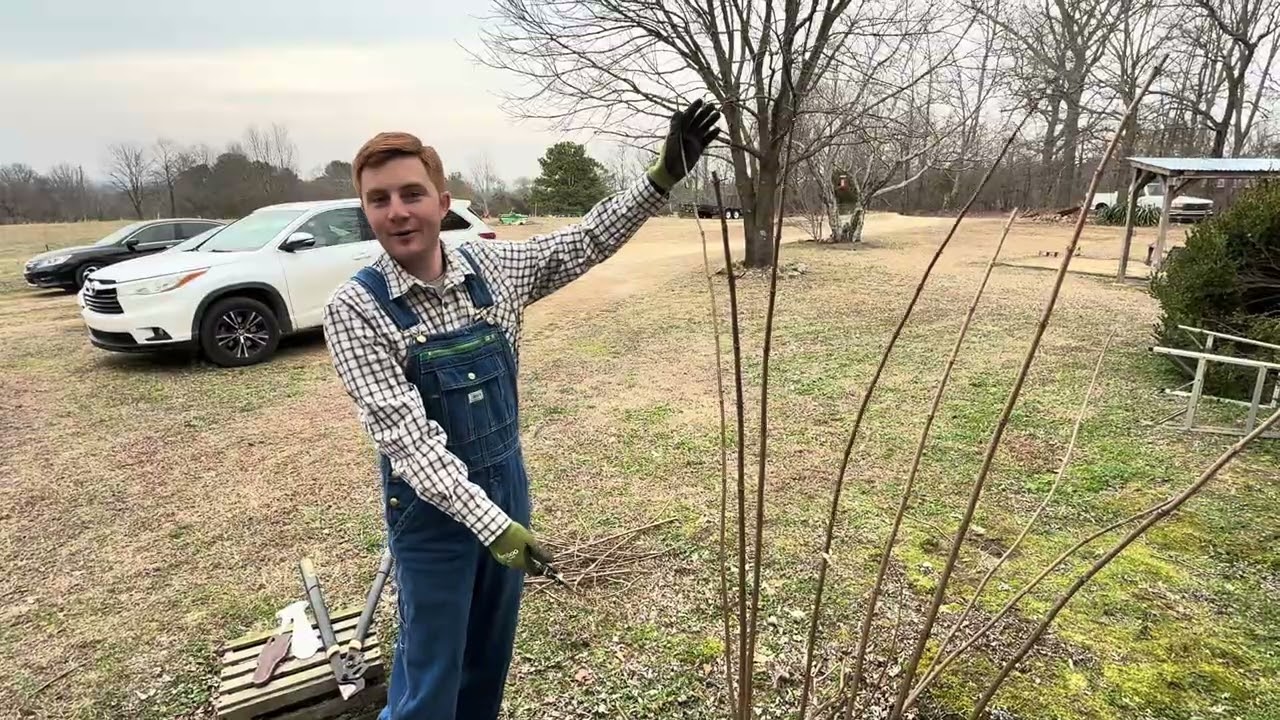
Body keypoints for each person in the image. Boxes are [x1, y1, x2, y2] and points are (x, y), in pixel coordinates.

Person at [322, 99, 721, 720]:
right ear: (366, 211)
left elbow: (584, 241)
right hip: (431, 517)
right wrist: (493, 525)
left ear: (442, 201)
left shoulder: (493, 267)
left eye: (411, 194)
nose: (397, 211)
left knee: (486, 665)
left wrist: (659, 179)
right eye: (379, 200)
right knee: (430, 682)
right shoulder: (355, 310)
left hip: (506, 490)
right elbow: (410, 444)